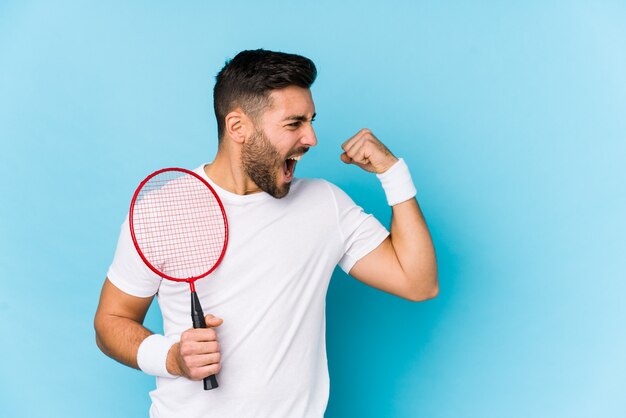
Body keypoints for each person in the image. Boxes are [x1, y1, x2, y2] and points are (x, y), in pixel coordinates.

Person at [94, 49, 438, 418]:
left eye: (311, 121)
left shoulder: (325, 204)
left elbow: (418, 283)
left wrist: (392, 173)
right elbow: (111, 322)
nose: (312, 138)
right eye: (294, 124)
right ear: (238, 127)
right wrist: (172, 358)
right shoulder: (162, 209)